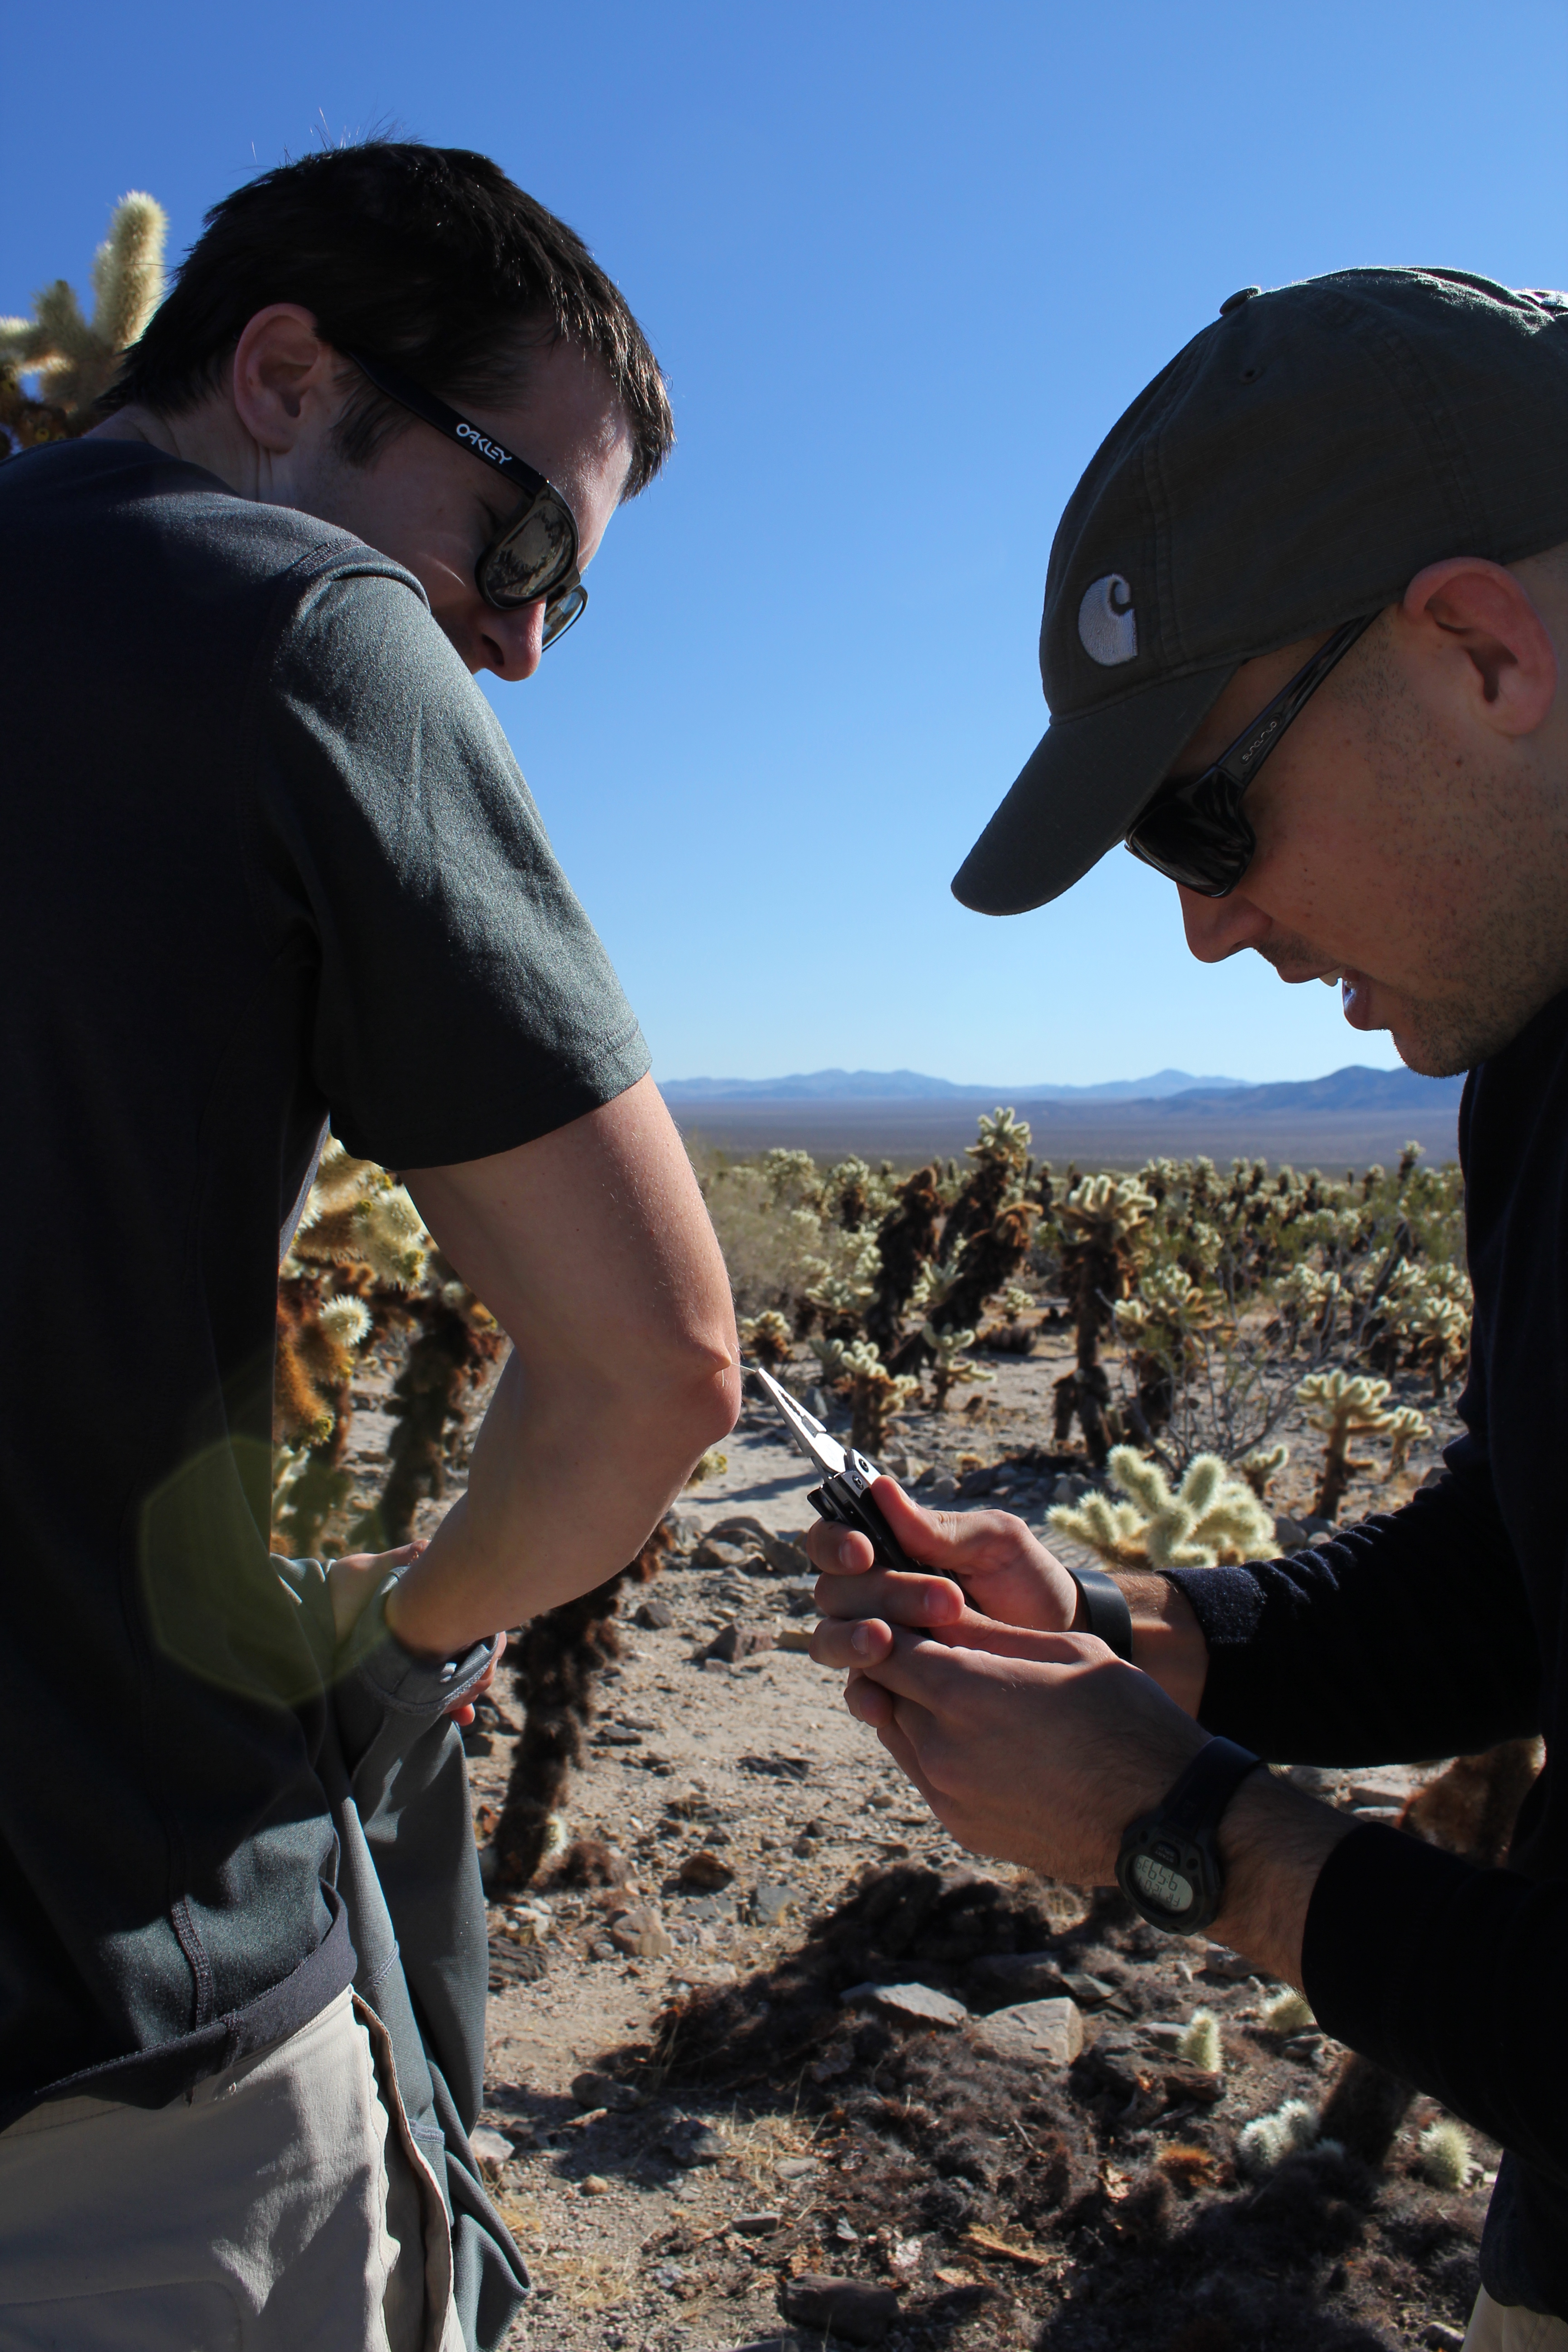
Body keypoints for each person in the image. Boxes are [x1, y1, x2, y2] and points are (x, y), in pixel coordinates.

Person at [0, 142, 739, 2349]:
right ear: (286, 368)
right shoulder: (291, 629)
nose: (517, 634)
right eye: (520, 534)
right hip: (116, 2057)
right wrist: (406, 1643)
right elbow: (654, 1370)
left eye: (567, 593)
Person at [808, 270, 1568, 2349]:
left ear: (1482, 647)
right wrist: (1143, 1630)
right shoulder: (1539, 1057)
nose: (1214, 927)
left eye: (1204, 819)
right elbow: (1517, 1576)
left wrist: (1184, 1835)